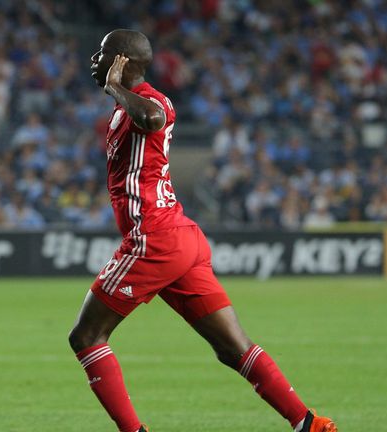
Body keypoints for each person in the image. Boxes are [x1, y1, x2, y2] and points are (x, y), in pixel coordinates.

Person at [68, 29, 338, 432]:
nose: (95, 59)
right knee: (233, 349)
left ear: (123, 60)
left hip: (154, 239)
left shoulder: (151, 103)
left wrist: (114, 87)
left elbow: (153, 119)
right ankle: (308, 423)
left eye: (103, 53)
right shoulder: (125, 110)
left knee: (86, 337)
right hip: (178, 237)